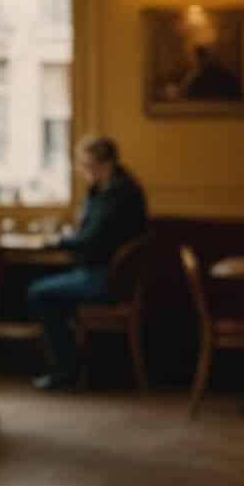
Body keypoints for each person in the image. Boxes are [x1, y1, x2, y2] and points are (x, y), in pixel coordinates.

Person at [27, 136, 149, 391]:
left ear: (102, 165)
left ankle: (66, 369)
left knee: (39, 293)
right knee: (50, 291)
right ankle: (71, 362)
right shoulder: (110, 190)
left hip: (107, 279)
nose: (81, 171)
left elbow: (90, 239)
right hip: (105, 273)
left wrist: (56, 241)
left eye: (85, 165)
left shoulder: (116, 195)